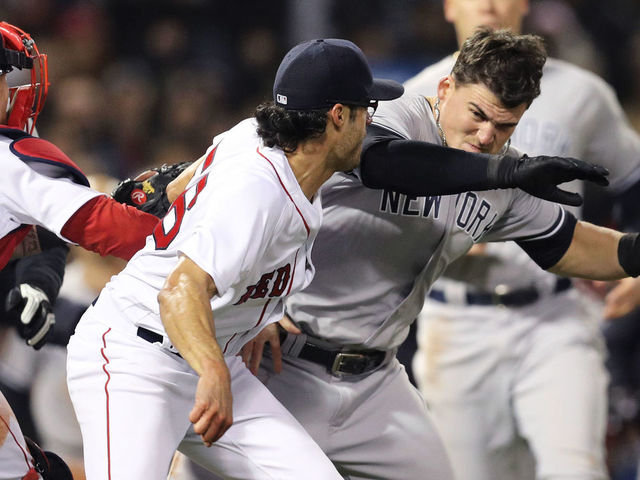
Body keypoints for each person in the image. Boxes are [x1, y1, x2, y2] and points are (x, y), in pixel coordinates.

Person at [234, 28, 640, 480]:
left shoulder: (504, 175)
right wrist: (249, 309)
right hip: (278, 360)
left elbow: (567, 245)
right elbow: (382, 162)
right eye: (477, 114)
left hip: (375, 383)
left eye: (505, 125)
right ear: (446, 89)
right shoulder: (395, 118)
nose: (486, 135)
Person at [65, 38, 406, 480]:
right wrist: (212, 371)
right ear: (339, 116)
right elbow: (179, 290)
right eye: (367, 109)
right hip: (136, 359)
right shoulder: (260, 191)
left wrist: (252, 313)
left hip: (206, 351)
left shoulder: (254, 135)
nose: (369, 123)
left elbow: (183, 184)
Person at [403, 1, 640, 479]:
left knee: (577, 470)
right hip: (456, 324)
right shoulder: (412, 98)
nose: (489, 5)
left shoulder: (581, 93)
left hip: (556, 318)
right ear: (449, 6)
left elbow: (631, 182)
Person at [0, 21, 162, 351]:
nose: (10, 88)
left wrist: (37, 280)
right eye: (4, 77)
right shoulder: (8, 160)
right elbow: (112, 229)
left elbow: (35, 235)